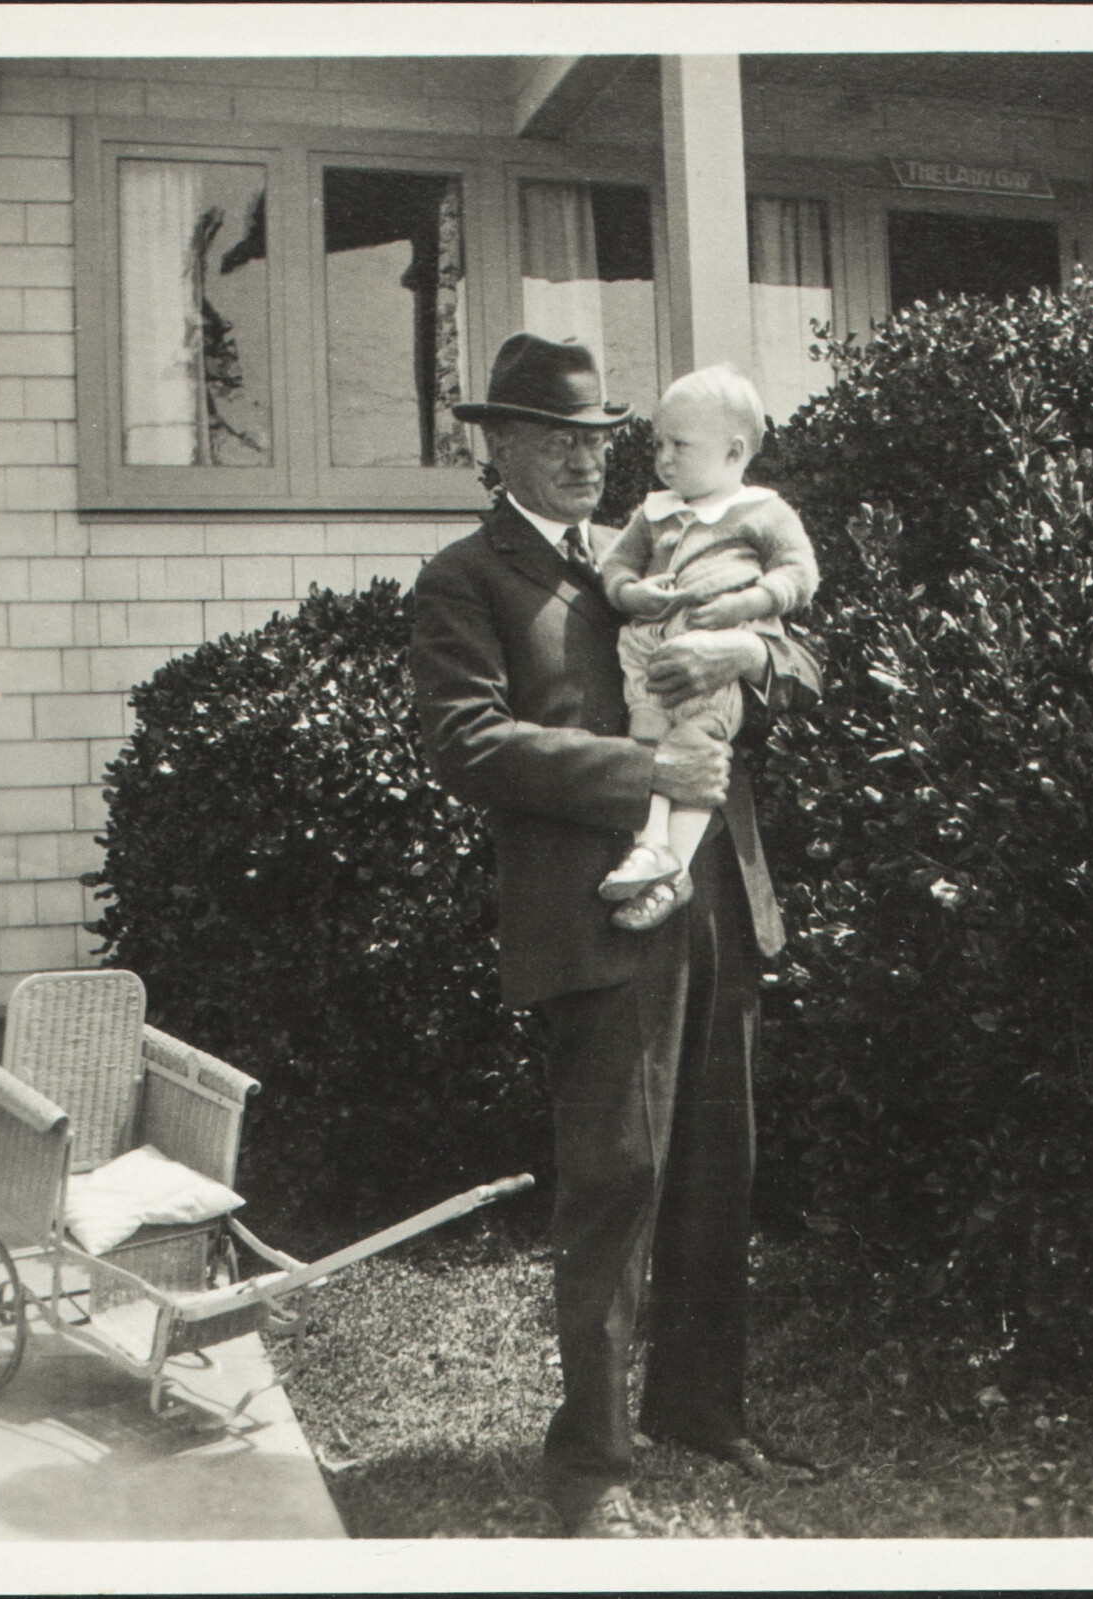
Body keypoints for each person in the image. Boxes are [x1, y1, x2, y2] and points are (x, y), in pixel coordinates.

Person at [410, 333, 821, 1538]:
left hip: (717, 901)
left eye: (595, 437)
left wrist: (750, 649)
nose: (584, 459)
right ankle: (591, 1465)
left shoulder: (677, 528)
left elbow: (804, 662)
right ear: (497, 449)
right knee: (614, 1180)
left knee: (714, 1164)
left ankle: (700, 1406)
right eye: (553, 438)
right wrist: (648, 765)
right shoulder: (466, 577)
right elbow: (467, 743)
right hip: (595, 918)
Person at [596, 364, 819, 932]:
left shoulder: (764, 512)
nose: (663, 458)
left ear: (733, 453)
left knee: (696, 747)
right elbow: (617, 562)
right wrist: (630, 589)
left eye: (679, 445)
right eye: (658, 444)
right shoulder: (653, 512)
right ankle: (651, 841)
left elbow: (799, 574)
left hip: (715, 662)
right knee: (648, 736)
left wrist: (748, 612)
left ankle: (677, 864)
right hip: (649, 650)